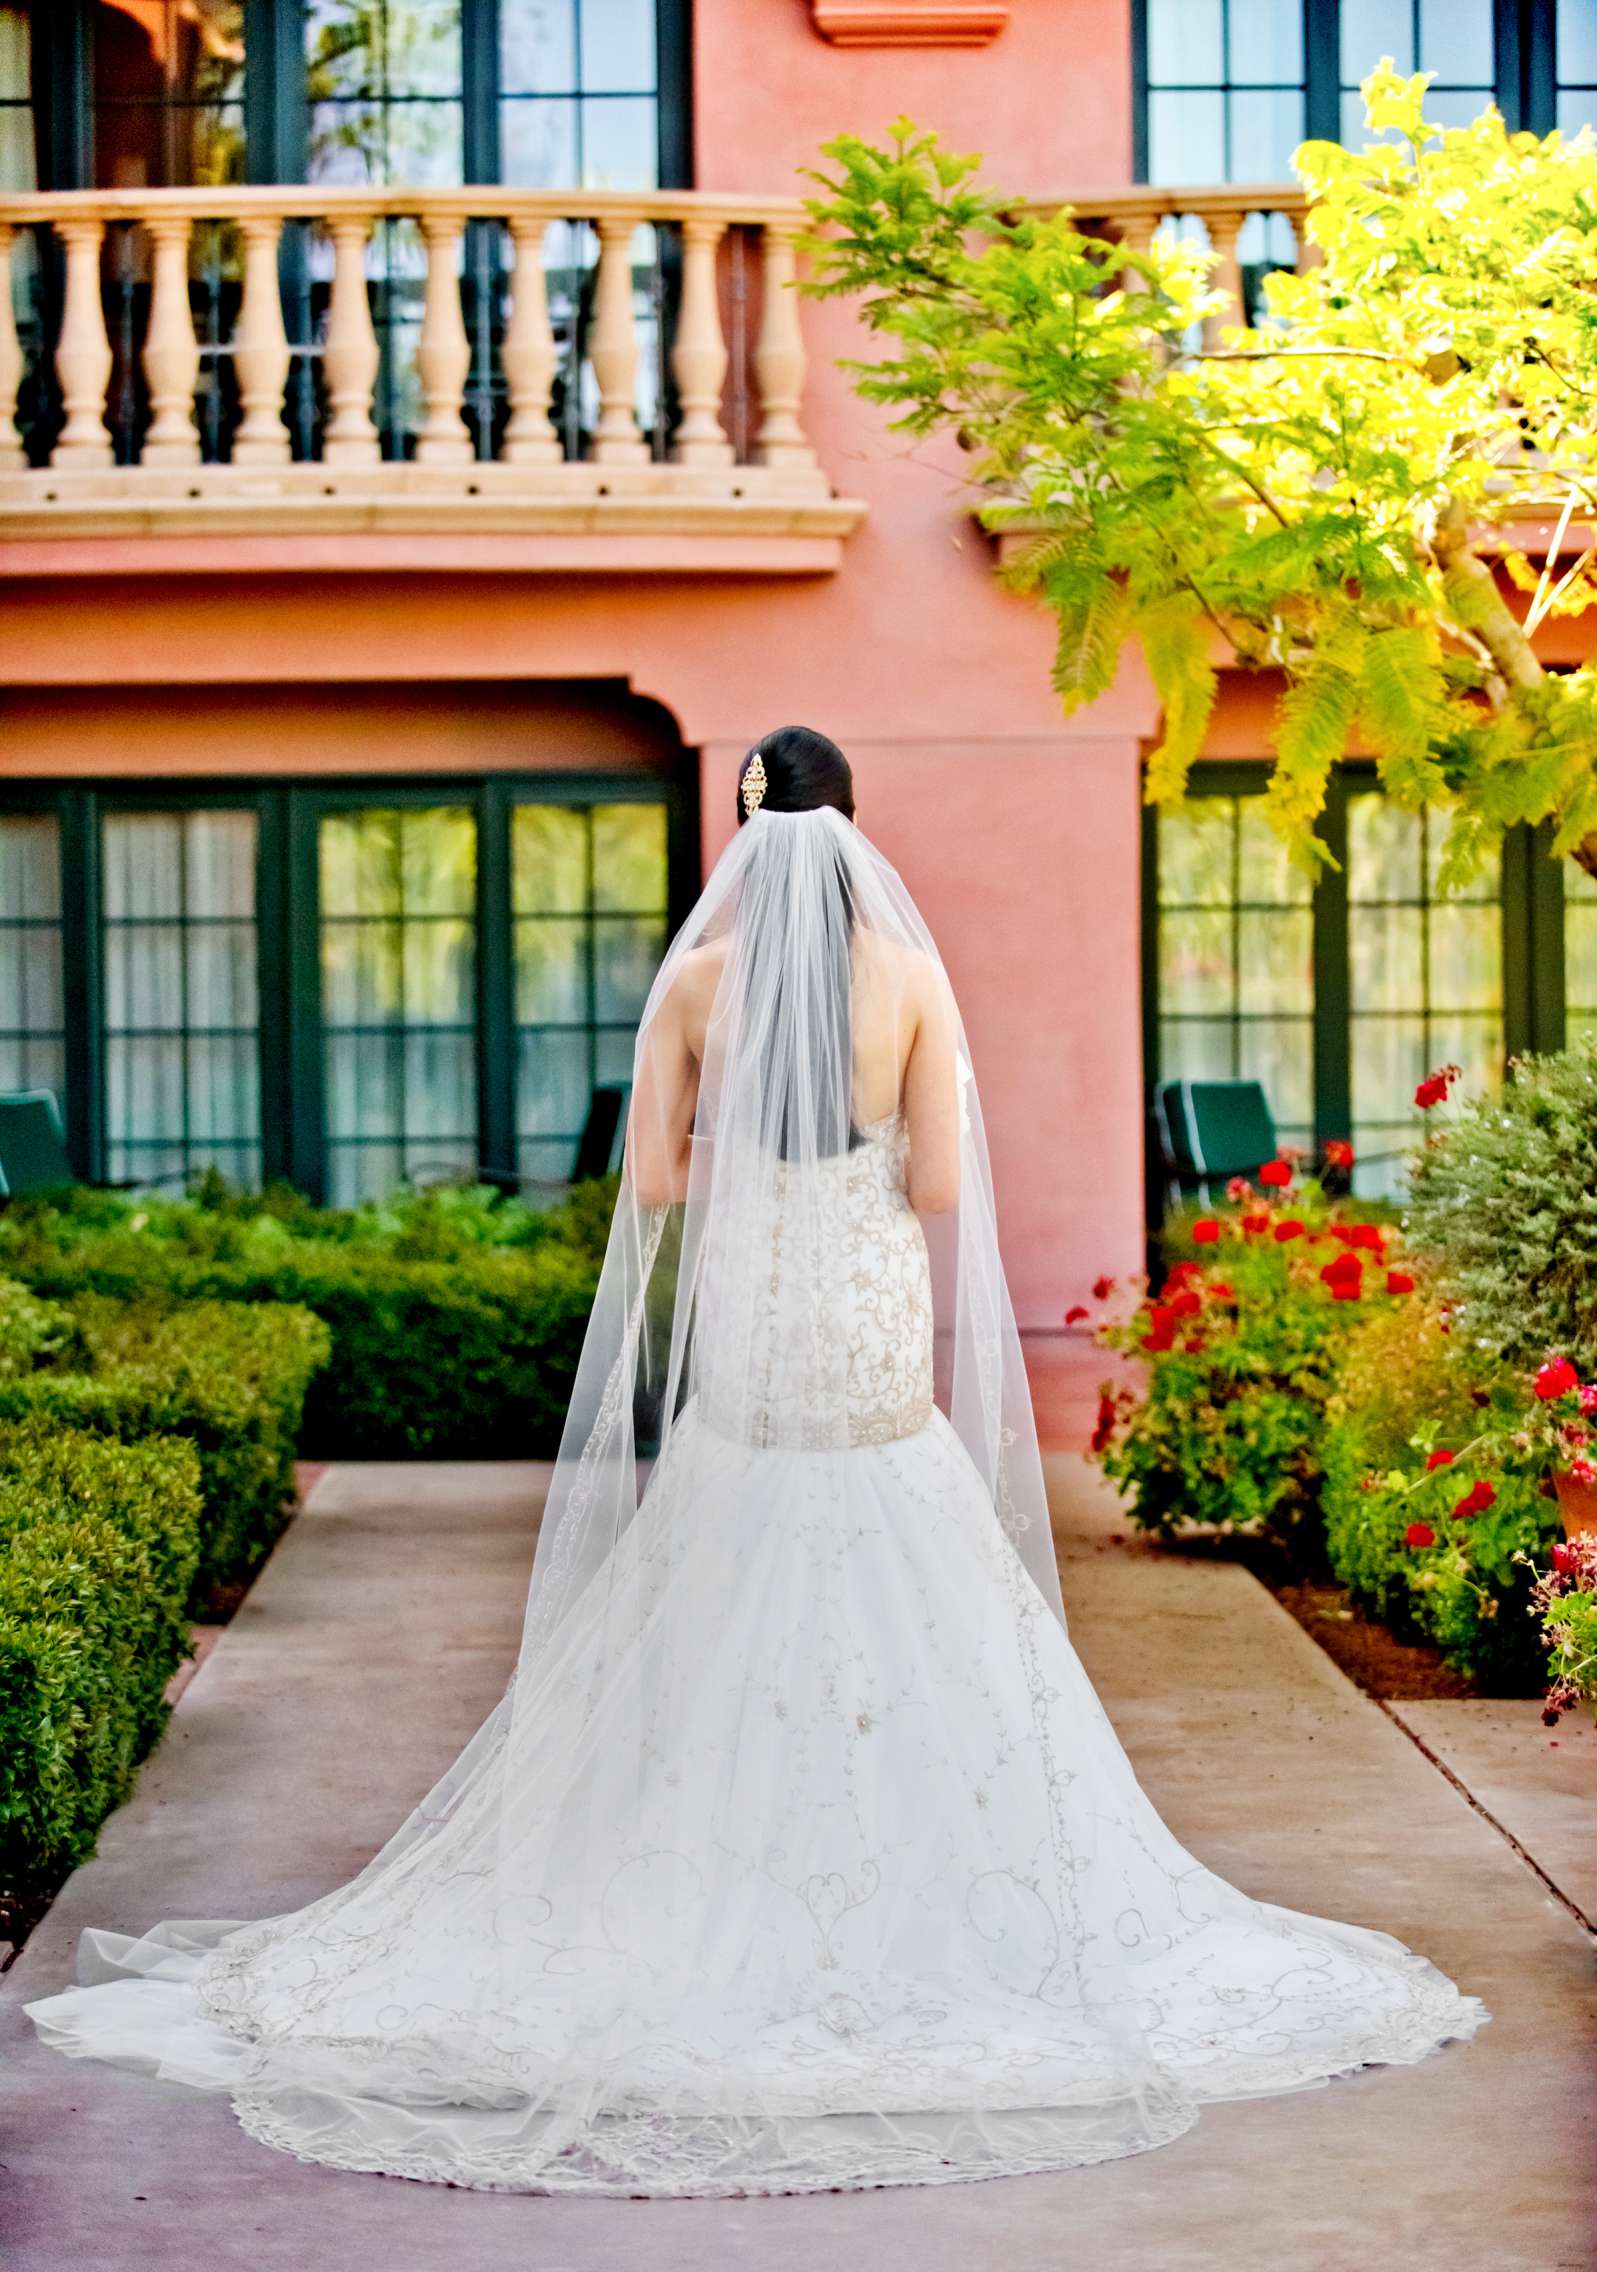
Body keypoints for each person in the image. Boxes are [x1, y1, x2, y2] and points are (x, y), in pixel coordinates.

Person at [28, 726, 1485, 2197]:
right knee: (895, 1524)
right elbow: (932, 1185)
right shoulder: (908, 982)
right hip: (857, 1294)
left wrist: (755, 1154)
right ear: (852, 835)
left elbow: (656, 1181)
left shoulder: (696, 987)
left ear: (742, 833)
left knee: (730, 1526)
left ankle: (694, 1873)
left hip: (755, 1292)